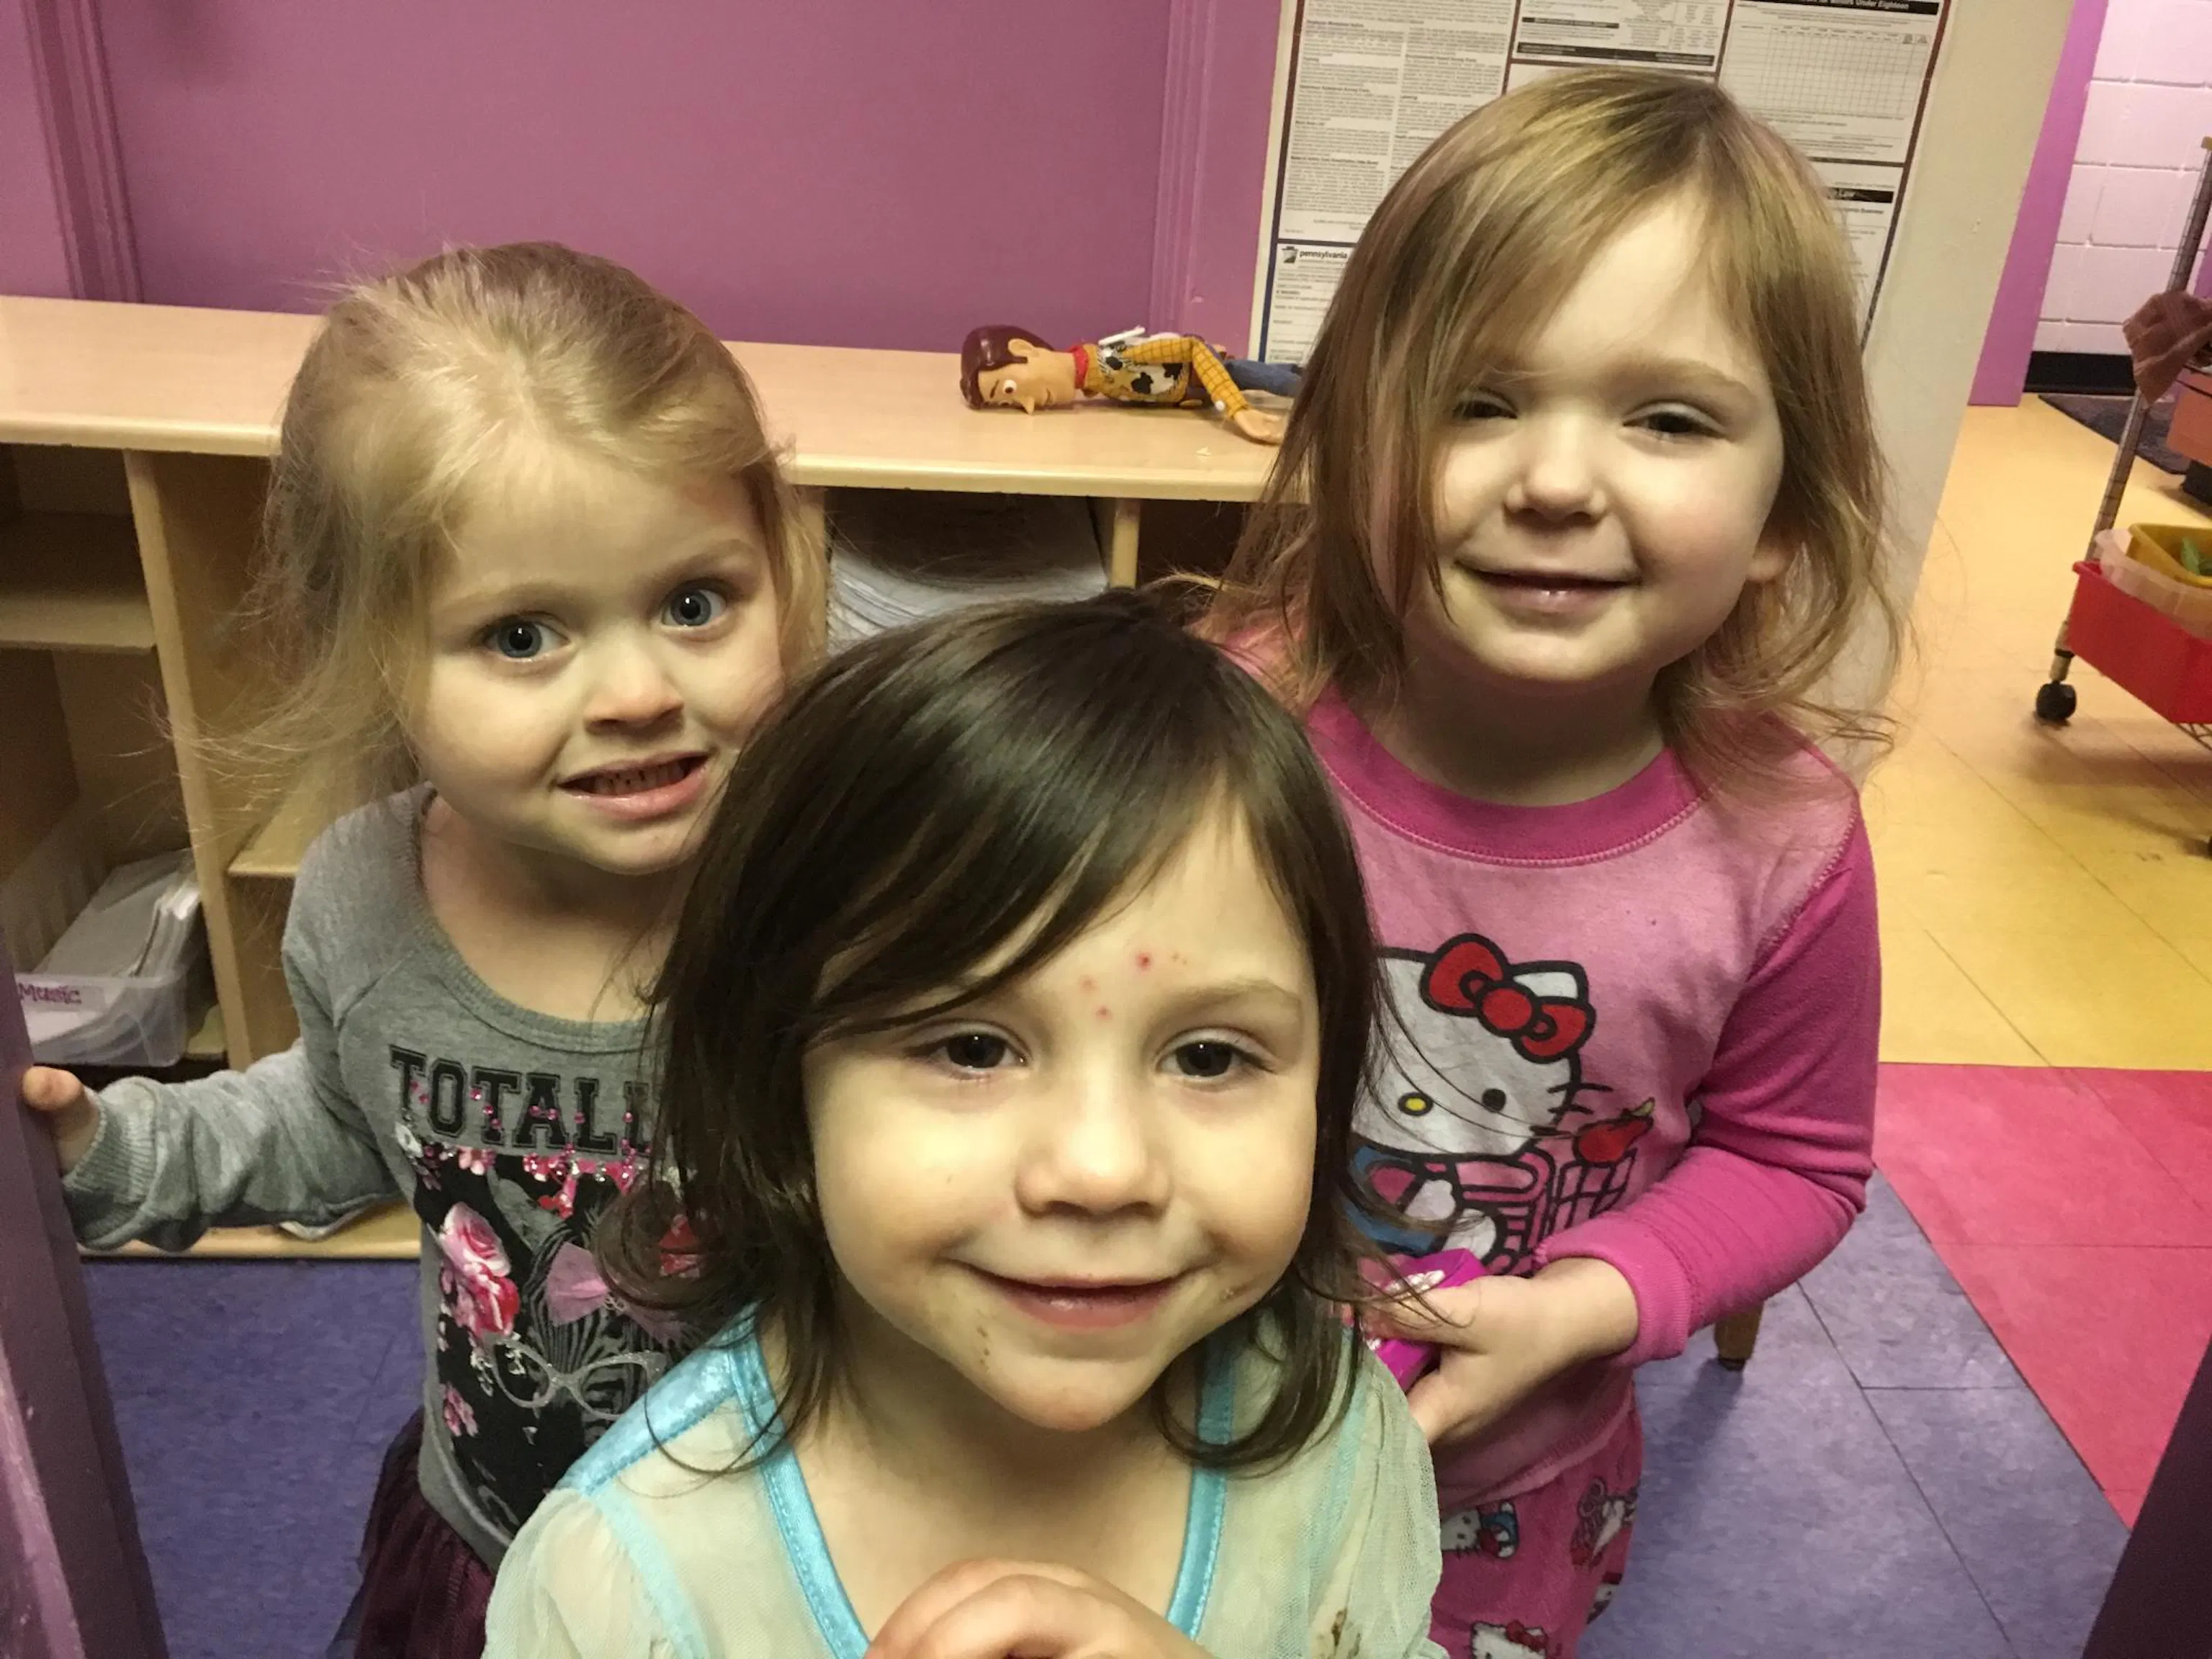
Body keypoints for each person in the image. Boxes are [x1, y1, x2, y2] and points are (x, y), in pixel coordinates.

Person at [17, 241, 823, 1659]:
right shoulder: (364, 894)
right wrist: (112, 1148)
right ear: (371, 653)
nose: (639, 691)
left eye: (695, 603)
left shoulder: (841, 889)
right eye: (522, 635)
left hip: (779, 1570)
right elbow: (342, 1119)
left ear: (780, 568)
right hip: (493, 1533)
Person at [1205, 68, 1899, 1659]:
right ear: (1353, 443)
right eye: (1479, 399)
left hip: (1510, 1495)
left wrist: (1584, 1306)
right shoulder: (1226, 729)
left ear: (1784, 512)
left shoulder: (1782, 845)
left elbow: (1796, 1162)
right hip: (1173, 1432)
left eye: (1667, 418)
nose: (1558, 480)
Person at [482, 593, 1446, 1659]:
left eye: (1209, 1057)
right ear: (778, 1079)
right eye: (973, 1048)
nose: (1102, 1170)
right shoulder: (619, 1587)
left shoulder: (1343, 1440)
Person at [959, 323, 1296, 444]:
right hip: (1194, 397)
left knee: (1278, 381)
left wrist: (1236, 408)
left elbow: (1193, 348)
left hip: (1209, 377)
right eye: (1010, 404)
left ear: (1024, 349)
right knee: (1287, 375)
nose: (1030, 406)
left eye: (1010, 390)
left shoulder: (1117, 358)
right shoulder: (1104, 386)